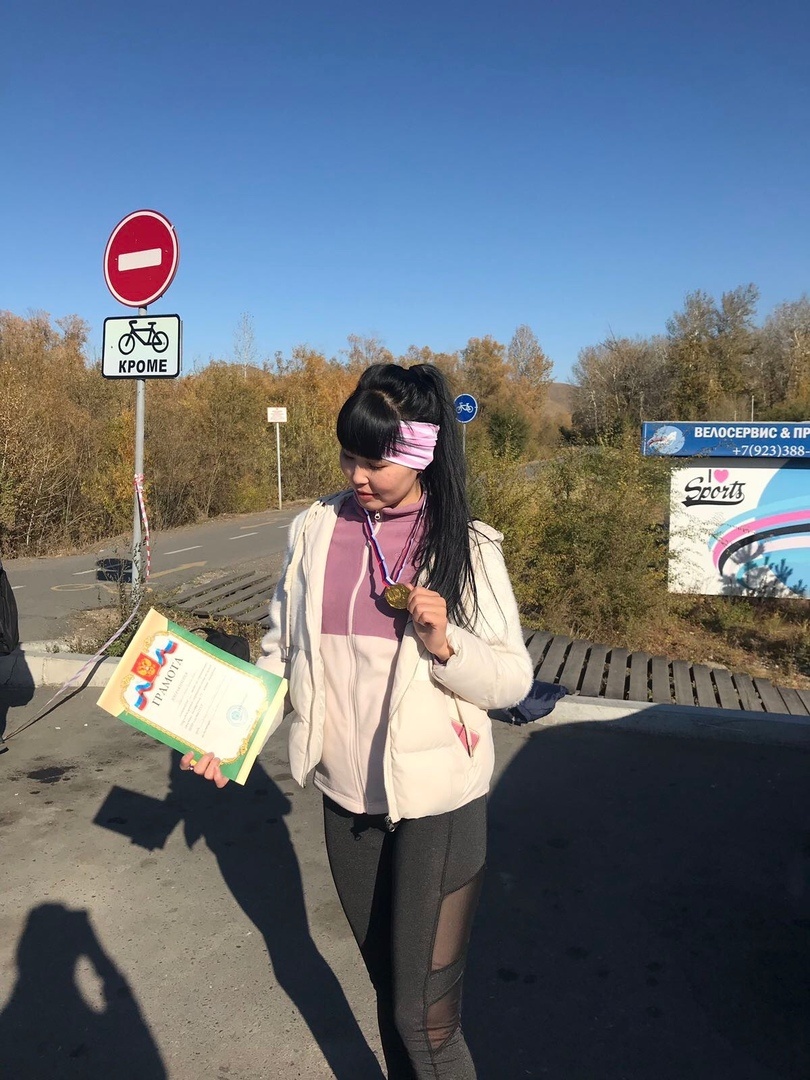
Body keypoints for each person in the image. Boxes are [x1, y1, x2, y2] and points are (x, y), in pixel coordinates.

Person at [182, 363, 533, 1079]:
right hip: (347, 800)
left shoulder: (466, 545)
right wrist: (230, 736)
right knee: (391, 995)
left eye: (375, 461)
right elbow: (284, 654)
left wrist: (447, 645)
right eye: (348, 456)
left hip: (438, 802)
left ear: (421, 454)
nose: (357, 476)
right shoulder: (316, 530)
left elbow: (512, 680)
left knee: (425, 1020)